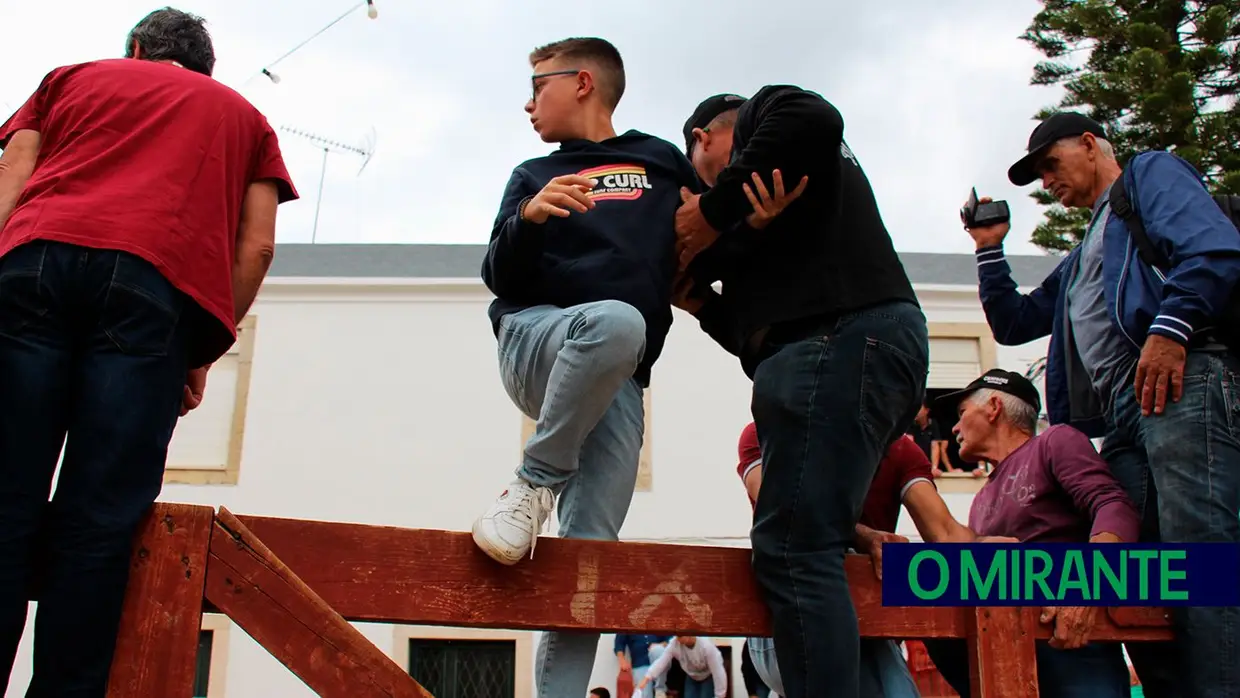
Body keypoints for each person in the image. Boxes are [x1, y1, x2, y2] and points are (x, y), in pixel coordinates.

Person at [0, 8, 296, 696]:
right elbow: (257, 246)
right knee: (99, 522)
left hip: (34, 265)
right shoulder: (246, 120)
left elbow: (14, 171)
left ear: (136, 49)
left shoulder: (69, 78)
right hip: (151, 292)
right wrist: (199, 352)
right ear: (205, 68)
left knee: (7, 498)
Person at [967, 111, 1240, 698]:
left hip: (1182, 382)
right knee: (1139, 575)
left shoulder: (1150, 175)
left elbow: (1214, 249)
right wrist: (990, 248)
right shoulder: (1082, 251)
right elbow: (1015, 322)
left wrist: (1171, 330)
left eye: (1050, 164)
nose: (1047, 182)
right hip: (1124, 414)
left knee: (1201, 558)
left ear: (1089, 144)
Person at [672, 88, 929, 698]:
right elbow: (762, 344)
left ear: (704, 139)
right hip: (842, 347)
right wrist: (706, 302)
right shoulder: (785, 228)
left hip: (846, 338)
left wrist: (712, 211)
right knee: (806, 546)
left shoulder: (771, 114)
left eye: (697, 173)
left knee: (793, 551)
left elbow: (814, 116)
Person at [471, 37, 701, 697]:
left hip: (618, 375)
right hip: (535, 338)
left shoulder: (661, 162)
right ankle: (533, 482)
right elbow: (496, 274)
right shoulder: (533, 175)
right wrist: (528, 220)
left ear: (580, 83)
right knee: (617, 320)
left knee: (590, 553)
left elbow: (708, 232)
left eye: (537, 85)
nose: (527, 103)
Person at [923, 369, 1141, 697]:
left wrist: (1091, 585)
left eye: (961, 413)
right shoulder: (981, 498)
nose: (954, 428)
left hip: (1074, 646)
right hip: (1010, 656)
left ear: (994, 406)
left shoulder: (1054, 441)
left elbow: (1112, 504)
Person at [736, 422, 979, 697]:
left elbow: (945, 532)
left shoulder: (899, 448)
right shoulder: (767, 431)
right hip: (784, 619)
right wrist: (864, 537)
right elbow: (782, 504)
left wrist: (1005, 562)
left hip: (867, 625)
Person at [637, 636, 726, 698]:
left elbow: (718, 672)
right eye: (677, 636)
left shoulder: (706, 646)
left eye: (681, 636)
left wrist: (720, 695)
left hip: (707, 676)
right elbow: (661, 662)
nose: (678, 639)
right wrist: (646, 678)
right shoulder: (674, 643)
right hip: (691, 676)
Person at [615, 633, 672, 698]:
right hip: (640, 663)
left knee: (657, 650)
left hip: (657, 661)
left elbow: (671, 640)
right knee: (644, 694)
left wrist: (660, 645)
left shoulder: (659, 623)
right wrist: (622, 660)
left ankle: (660, 690)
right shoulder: (627, 623)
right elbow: (619, 643)